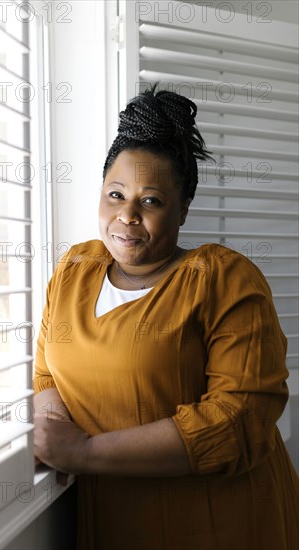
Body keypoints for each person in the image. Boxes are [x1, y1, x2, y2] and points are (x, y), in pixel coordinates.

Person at [33, 84, 299, 550]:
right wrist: (53, 433)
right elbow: (46, 373)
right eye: (115, 194)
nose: (128, 215)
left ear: (183, 209)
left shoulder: (223, 278)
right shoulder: (75, 268)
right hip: (116, 517)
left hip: (222, 523)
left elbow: (239, 420)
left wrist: (83, 452)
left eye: (151, 200)